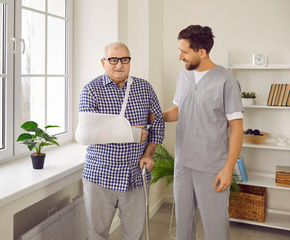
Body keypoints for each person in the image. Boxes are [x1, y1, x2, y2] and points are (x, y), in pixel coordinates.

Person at [163, 25, 243, 240]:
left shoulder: (226, 81)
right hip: (183, 163)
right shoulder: (183, 77)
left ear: (202, 51)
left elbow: (237, 128)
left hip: (212, 167)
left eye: (185, 52)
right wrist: (155, 116)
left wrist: (228, 169)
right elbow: (179, 110)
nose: (180, 57)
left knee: (216, 229)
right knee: (183, 228)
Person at [78, 42, 165, 240]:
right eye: (113, 60)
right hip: (100, 175)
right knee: (97, 234)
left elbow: (158, 123)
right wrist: (131, 133)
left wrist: (149, 154)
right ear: (103, 62)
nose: (119, 65)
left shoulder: (144, 88)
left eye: (125, 60)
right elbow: (86, 133)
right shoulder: (91, 90)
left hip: (135, 174)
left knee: (134, 235)